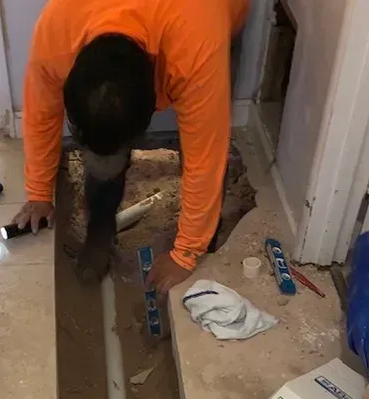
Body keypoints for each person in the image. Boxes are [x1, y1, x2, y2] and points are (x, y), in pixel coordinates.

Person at [13, 0, 249, 294]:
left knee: (201, 141)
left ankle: (205, 240)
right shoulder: (56, 37)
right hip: (175, 29)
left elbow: (206, 156)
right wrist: (38, 193)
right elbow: (41, 115)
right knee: (105, 161)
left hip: (211, 14)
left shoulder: (196, 47)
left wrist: (186, 253)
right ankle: (100, 236)